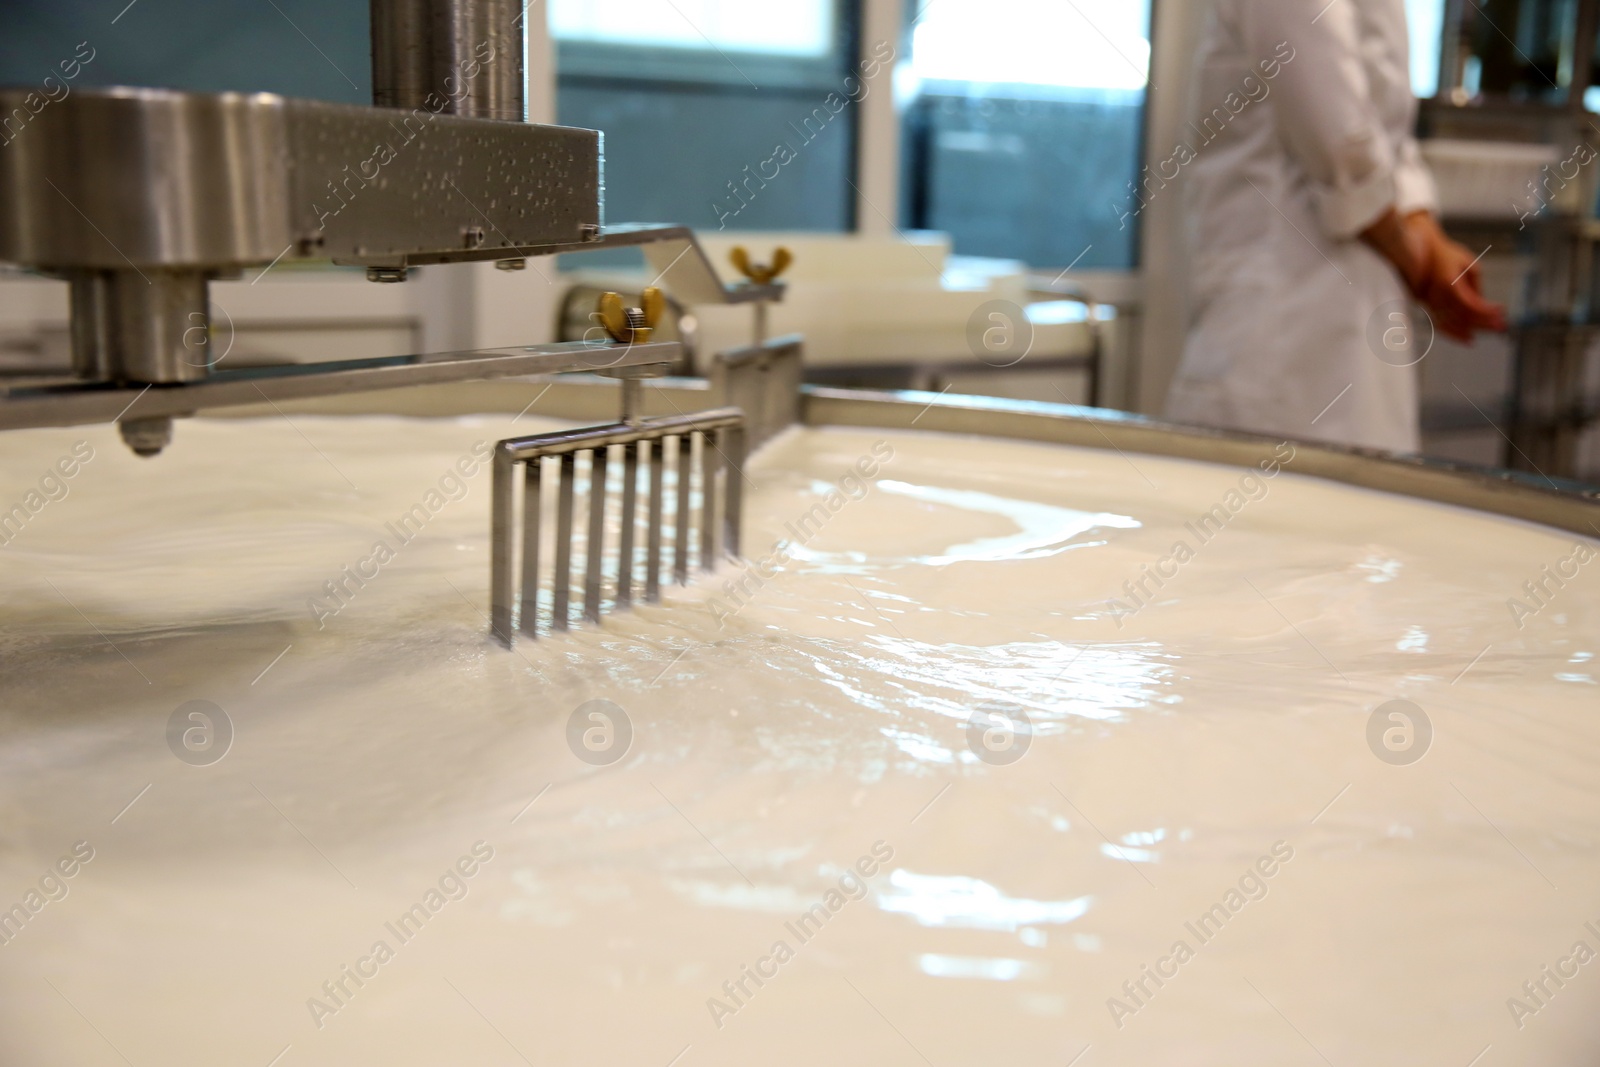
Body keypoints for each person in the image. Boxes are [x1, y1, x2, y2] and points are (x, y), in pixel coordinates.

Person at [1164, 0, 1507, 453]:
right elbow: (1334, 131)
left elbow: (1383, 123)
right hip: (1284, 304)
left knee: (1355, 502)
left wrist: (1423, 228)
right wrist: (1416, 257)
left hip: (1350, 301)